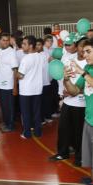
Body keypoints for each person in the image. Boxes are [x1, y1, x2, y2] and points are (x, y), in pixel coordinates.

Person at [49, 37, 87, 167]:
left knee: (79, 133)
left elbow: (83, 87)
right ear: (77, 47)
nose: (83, 49)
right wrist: (62, 94)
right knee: (63, 129)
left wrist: (73, 91)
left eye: (86, 48)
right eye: (82, 46)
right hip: (68, 101)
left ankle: (80, 157)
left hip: (81, 104)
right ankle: (63, 152)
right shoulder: (71, 61)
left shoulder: (87, 65)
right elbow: (63, 80)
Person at [63, 38, 93, 184]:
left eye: (88, 51)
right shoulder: (88, 69)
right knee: (91, 154)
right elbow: (75, 91)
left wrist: (81, 72)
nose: (84, 54)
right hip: (89, 120)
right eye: (84, 51)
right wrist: (66, 80)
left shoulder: (85, 71)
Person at [17, 35, 44, 138]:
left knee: (26, 113)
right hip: (37, 89)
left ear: (31, 45)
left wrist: (15, 73)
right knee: (37, 113)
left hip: (26, 91)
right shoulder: (40, 56)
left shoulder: (26, 59)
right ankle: (38, 132)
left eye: (24, 44)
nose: (22, 46)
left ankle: (27, 133)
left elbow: (20, 75)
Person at [0, 33, 18, 132]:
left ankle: (10, 125)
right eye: (3, 40)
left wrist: (15, 87)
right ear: (0, 41)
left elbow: (15, 70)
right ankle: (6, 122)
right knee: (3, 106)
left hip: (8, 85)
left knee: (9, 107)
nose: (5, 42)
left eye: (7, 40)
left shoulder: (11, 52)